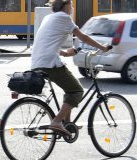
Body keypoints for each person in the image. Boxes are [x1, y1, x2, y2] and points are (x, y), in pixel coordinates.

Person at [31, 0, 110, 135]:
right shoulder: (64, 17)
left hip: (38, 62)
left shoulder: (48, 17)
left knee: (70, 89)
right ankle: (57, 122)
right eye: (71, 5)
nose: (72, 8)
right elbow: (83, 37)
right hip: (49, 63)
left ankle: (67, 123)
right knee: (77, 91)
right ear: (66, 6)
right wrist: (102, 47)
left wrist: (65, 53)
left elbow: (47, 42)